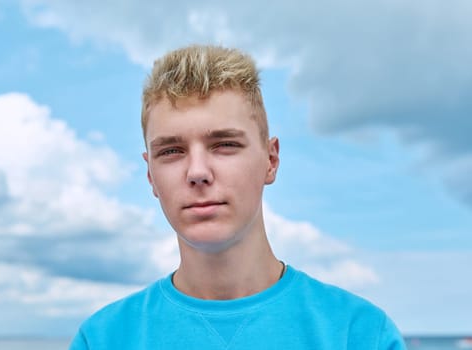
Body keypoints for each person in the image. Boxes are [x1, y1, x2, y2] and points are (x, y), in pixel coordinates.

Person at [69, 45, 406, 349]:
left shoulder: (359, 335)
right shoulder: (103, 339)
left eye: (225, 145)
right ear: (150, 175)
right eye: (172, 150)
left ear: (270, 161)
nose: (197, 171)